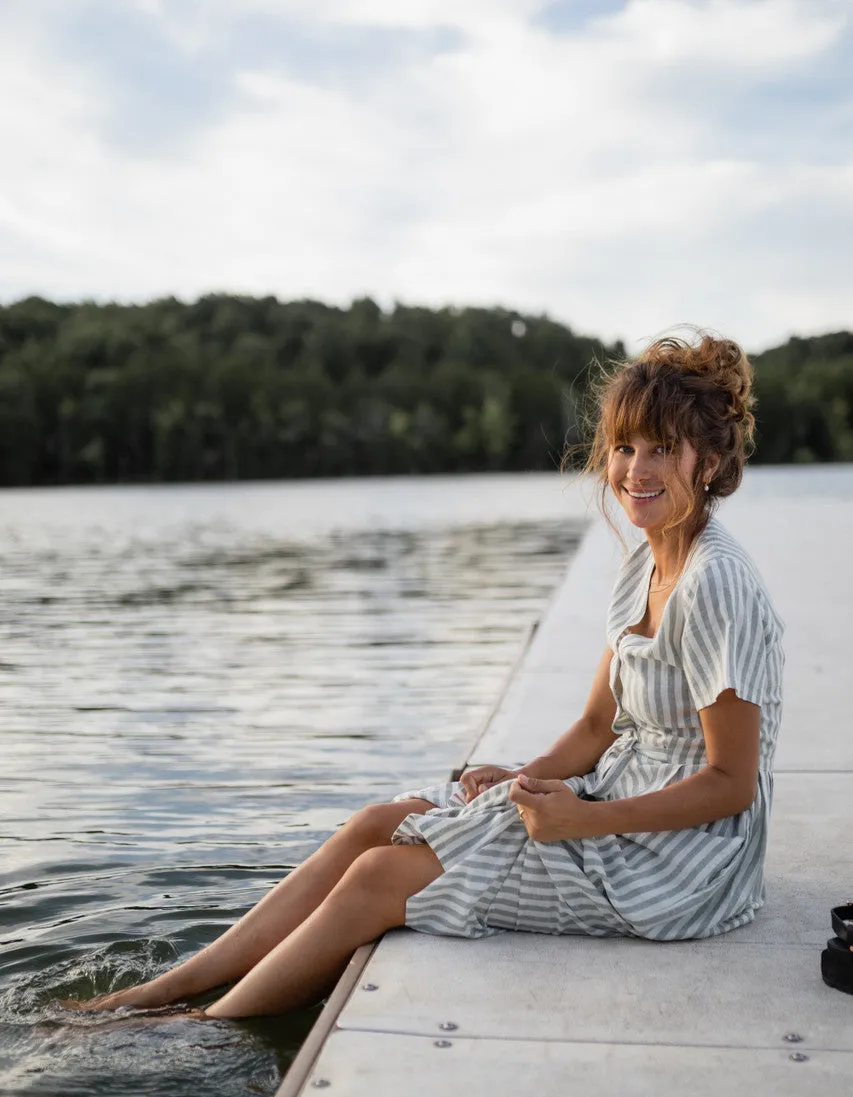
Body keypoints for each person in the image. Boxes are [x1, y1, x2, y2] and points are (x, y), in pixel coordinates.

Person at [78, 332, 784, 1020]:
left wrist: (585, 818)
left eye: (662, 448)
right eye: (624, 447)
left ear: (712, 461)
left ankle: (200, 1031)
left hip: (684, 869)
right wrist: (522, 779)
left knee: (378, 877)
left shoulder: (713, 582)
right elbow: (598, 725)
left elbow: (730, 785)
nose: (635, 468)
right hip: (619, 804)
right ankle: (172, 986)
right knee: (378, 823)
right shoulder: (644, 561)